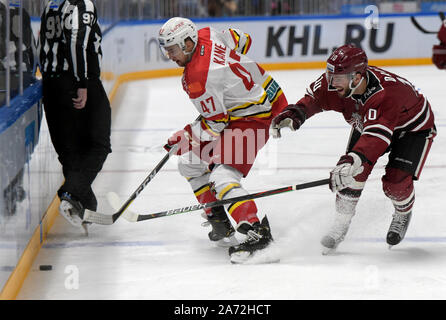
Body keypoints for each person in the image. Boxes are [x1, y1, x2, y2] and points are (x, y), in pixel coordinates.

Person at [270, 44, 436, 254]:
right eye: (330, 75)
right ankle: (341, 222)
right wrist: (296, 113)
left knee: (395, 184)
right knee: (351, 176)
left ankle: (403, 212)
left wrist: (354, 158)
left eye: (337, 78)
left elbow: (376, 137)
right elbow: (314, 100)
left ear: (357, 77)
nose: (331, 82)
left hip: (413, 129)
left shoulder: (385, 95)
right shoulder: (335, 83)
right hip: (369, 123)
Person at [158, 17, 288, 263]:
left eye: (172, 49)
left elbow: (216, 123)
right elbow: (243, 40)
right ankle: (219, 220)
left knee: (223, 176)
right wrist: (227, 83)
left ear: (187, 43)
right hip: (261, 98)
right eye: (167, 50)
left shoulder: (195, 78)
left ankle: (256, 231)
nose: (170, 56)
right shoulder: (207, 33)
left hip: (255, 117)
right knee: (190, 165)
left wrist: (185, 137)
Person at [39, 0, 111, 230]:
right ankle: (70, 194)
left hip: (51, 85)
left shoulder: (51, 4)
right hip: (77, 81)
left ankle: (83, 204)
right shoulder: (81, 4)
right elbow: (75, 42)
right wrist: (81, 82)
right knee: (99, 144)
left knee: (70, 150)